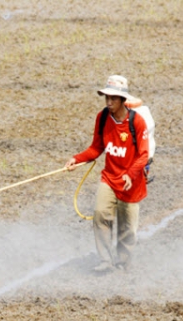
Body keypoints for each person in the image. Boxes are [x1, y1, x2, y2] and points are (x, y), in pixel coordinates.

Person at [65, 75, 149, 273]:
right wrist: (76, 159)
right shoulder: (102, 118)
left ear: (122, 100)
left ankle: (123, 263)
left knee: (127, 230)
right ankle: (105, 260)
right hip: (109, 178)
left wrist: (130, 174)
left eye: (113, 98)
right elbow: (96, 148)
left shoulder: (137, 122)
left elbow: (143, 154)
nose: (109, 102)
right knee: (100, 215)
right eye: (106, 98)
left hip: (132, 183)